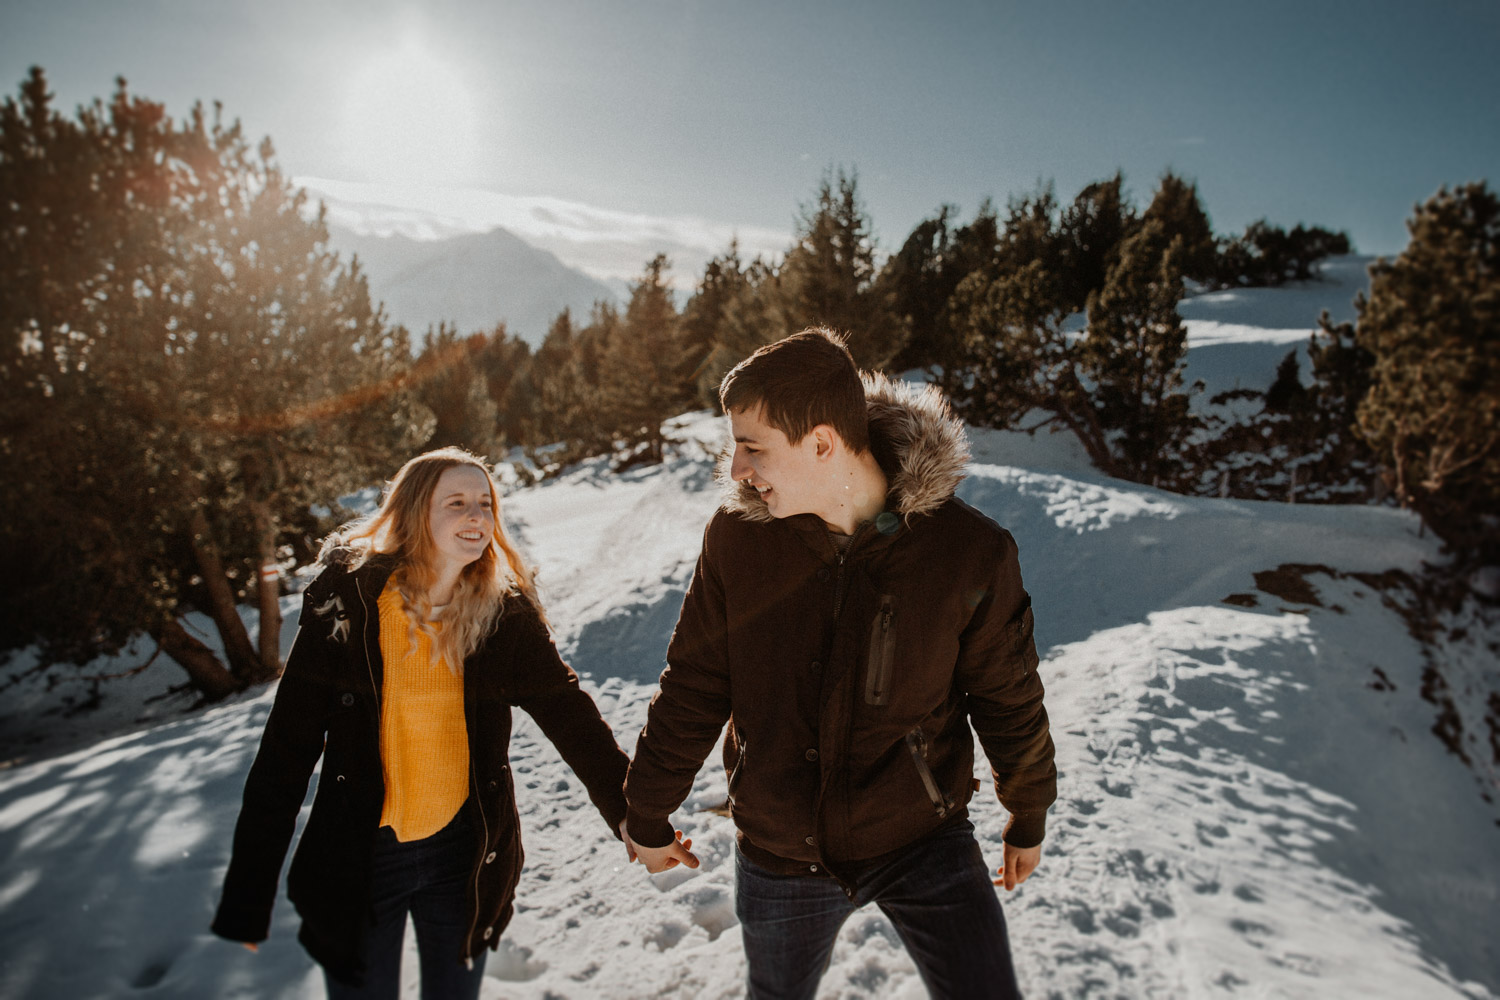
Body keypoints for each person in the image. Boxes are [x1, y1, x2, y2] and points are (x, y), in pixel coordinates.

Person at [622, 329, 1056, 999]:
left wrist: (1028, 809)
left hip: (921, 835)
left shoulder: (968, 553)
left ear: (822, 444)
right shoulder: (739, 541)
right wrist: (646, 812)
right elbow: (696, 684)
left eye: (753, 447)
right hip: (781, 848)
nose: (737, 469)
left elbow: (1007, 695)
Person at [212, 447, 632, 999]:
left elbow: (571, 717)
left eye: (485, 502)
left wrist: (634, 817)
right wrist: (248, 895)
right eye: (456, 503)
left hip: (462, 857)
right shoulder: (348, 607)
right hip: (361, 860)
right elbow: (286, 750)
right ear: (415, 514)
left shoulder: (501, 615)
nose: (476, 515)